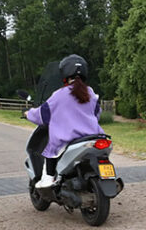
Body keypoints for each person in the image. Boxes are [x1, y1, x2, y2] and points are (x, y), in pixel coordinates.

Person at [24, 54, 103, 188]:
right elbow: (97, 114)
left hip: (68, 140)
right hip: (93, 137)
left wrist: (28, 113)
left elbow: (42, 115)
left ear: (64, 74)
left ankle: (48, 179)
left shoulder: (59, 95)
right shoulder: (91, 93)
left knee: (51, 149)